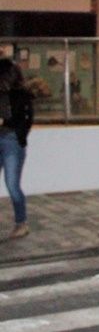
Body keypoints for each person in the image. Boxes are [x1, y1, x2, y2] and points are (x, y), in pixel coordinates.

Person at [0, 58, 34, 239]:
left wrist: (5, 123)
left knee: (12, 184)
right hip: (6, 138)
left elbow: (24, 121)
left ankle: (21, 222)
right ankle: (20, 223)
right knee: (12, 183)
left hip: (11, 141)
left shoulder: (21, 95)